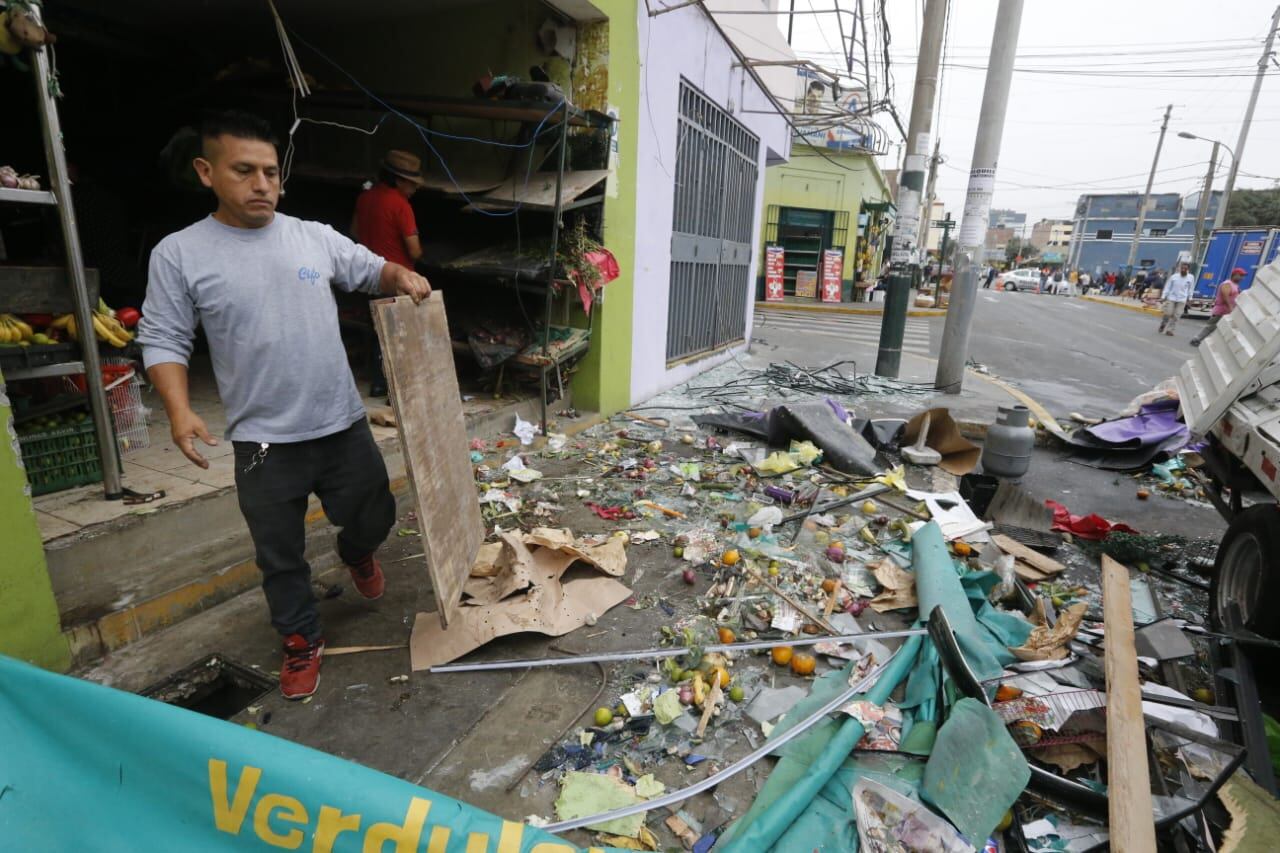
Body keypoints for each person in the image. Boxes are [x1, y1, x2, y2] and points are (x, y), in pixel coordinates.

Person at [137, 111, 432, 699]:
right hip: (263, 442)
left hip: (342, 424)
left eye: (270, 172)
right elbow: (163, 337)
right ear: (206, 172)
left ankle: (356, 552)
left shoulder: (311, 236)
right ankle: (301, 639)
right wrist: (178, 410)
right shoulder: (180, 253)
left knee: (377, 514)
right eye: (243, 170)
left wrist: (400, 274)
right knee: (280, 555)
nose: (261, 184)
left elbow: (371, 269)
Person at [352, 150, 426, 397]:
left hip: (369, 276)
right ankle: (398, 388)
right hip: (399, 280)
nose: (414, 188)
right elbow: (414, 251)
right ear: (398, 179)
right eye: (411, 183)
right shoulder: (401, 205)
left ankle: (377, 382)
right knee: (399, 336)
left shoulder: (365, 198)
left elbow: (353, 231)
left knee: (376, 332)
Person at [1191, 267, 1243, 346]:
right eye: (1240, 275)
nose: (1242, 278)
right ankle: (1196, 339)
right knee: (1211, 326)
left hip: (1227, 311)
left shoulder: (1235, 285)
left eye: (1242, 276)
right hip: (1221, 310)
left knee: (1220, 328)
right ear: (1234, 275)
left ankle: (1211, 343)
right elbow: (1225, 296)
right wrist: (1230, 307)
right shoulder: (1227, 284)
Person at [1158, 261, 1195, 336]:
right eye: (1182, 268)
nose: (1183, 270)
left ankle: (1170, 330)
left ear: (1188, 270)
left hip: (1182, 299)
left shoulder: (1191, 277)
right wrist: (1163, 297)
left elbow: (1191, 288)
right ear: (1180, 268)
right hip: (1171, 298)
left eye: (1185, 269)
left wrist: (1190, 298)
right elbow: (1167, 287)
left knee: (1176, 316)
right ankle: (1163, 323)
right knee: (1168, 313)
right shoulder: (1174, 276)